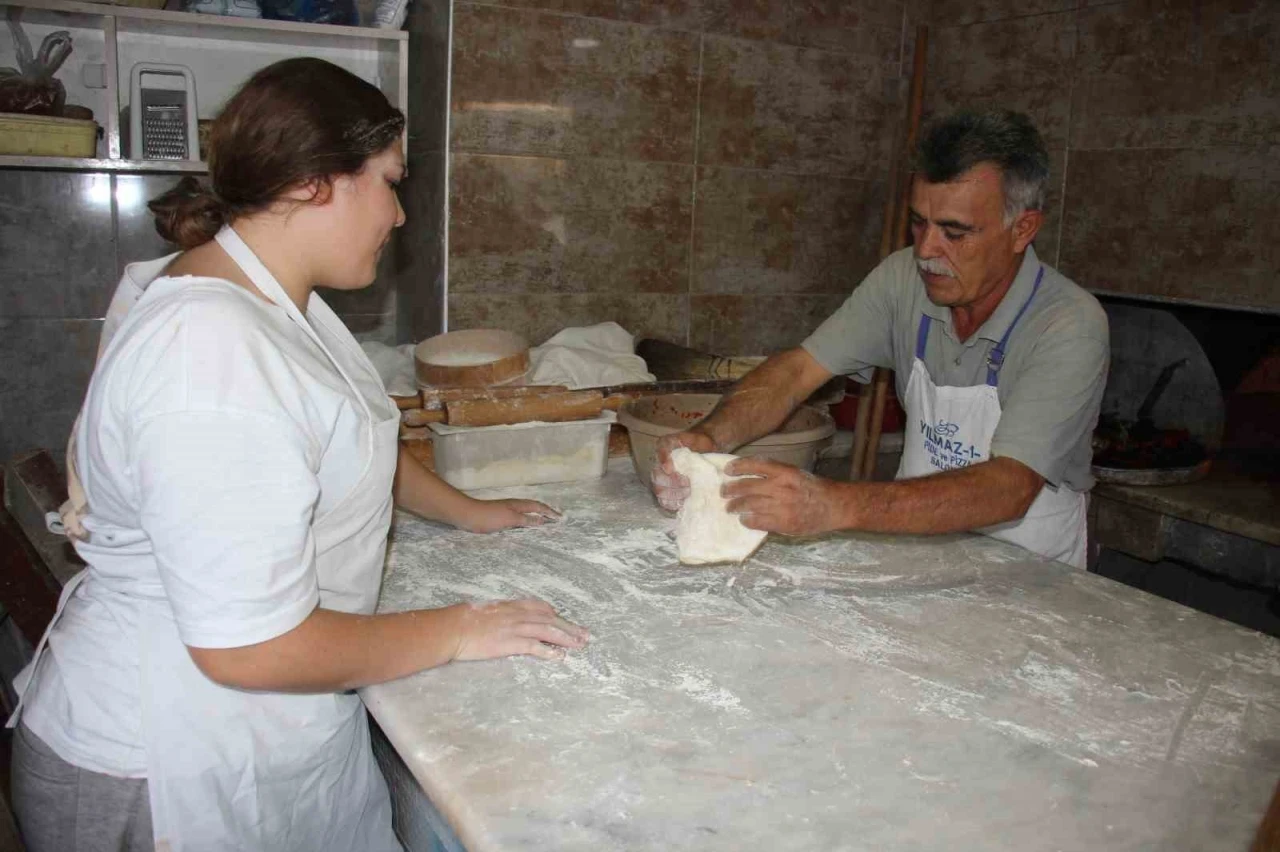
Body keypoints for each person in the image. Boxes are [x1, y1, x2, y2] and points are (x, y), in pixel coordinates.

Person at [7, 57, 589, 852]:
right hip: (163, 768)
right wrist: (459, 629)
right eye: (389, 181)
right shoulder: (210, 354)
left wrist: (470, 512)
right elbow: (250, 645)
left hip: (251, 731)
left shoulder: (276, 302)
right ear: (320, 182)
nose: (399, 214)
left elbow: (354, 427)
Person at [651, 109, 1109, 569]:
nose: (927, 250)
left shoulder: (1068, 324)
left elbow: (1008, 488)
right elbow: (797, 371)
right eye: (919, 223)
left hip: (1030, 574)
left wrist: (833, 505)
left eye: (955, 232)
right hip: (916, 552)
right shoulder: (903, 279)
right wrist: (711, 435)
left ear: (1023, 229)